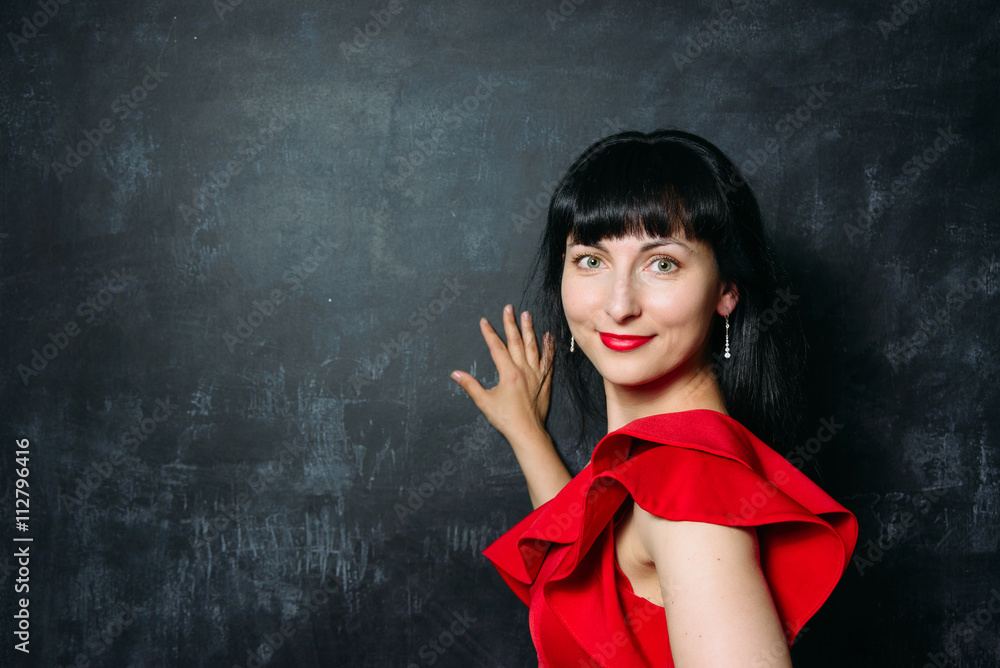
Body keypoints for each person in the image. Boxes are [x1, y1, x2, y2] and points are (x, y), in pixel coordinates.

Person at [450, 129, 858, 667]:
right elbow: (596, 589)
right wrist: (528, 434)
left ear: (726, 291)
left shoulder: (688, 486)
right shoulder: (663, 465)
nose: (619, 306)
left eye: (661, 263)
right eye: (591, 260)